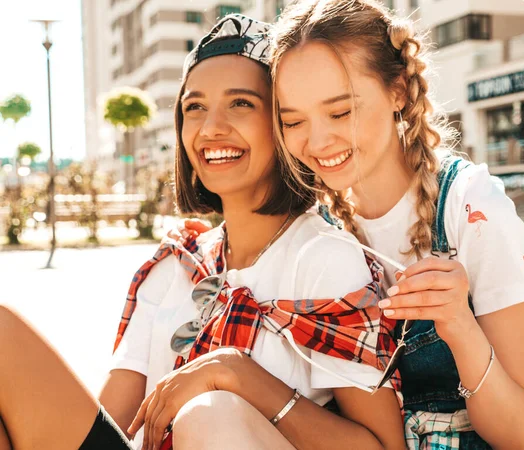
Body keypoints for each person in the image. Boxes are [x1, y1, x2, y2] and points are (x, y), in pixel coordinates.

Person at [0, 13, 405, 450]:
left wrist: (238, 375)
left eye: (241, 103)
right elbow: (113, 426)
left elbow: (383, 446)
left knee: (211, 414)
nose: (211, 128)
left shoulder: (324, 259)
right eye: (194, 107)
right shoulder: (177, 262)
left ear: (284, 124)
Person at [178, 1, 524, 448]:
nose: (319, 141)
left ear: (397, 89)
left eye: (341, 113)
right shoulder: (319, 227)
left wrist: (458, 323)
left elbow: (515, 432)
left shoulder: (470, 208)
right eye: (293, 121)